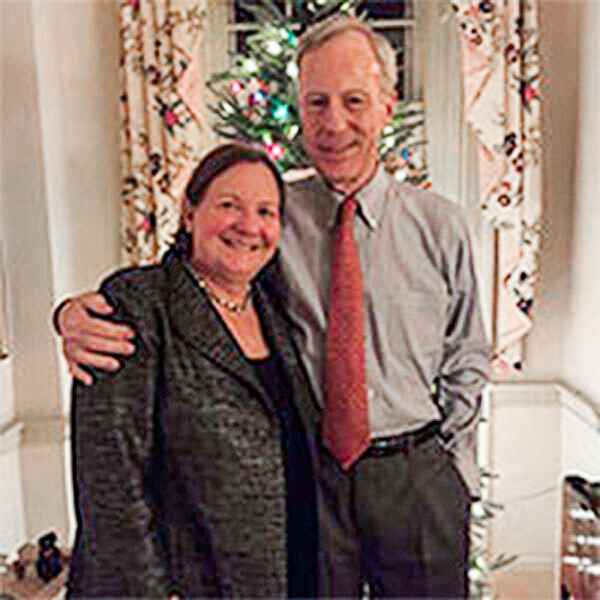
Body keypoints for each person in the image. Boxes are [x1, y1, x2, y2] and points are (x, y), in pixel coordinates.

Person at [56, 15, 489, 599]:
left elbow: (467, 353)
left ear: (387, 105)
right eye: (317, 103)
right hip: (314, 480)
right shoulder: (275, 214)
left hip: (416, 478)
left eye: (354, 100)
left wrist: (453, 473)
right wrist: (72, 314)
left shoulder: (442, 227)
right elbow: (198, 286)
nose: (334, 123)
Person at [66, 144, 319, 599]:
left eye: (266, 211)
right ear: (189, 213)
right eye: (229, 205)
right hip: (187, 586)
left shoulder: (274, 309)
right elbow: (111, 479)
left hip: (284, 574)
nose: (249, 225)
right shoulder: (137, 305)